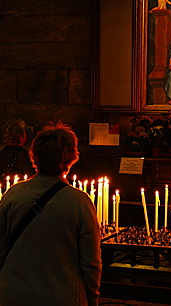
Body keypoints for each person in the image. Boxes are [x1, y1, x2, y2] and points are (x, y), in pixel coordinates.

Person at [0, 122, 102, 306]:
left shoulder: (12, 195)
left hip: (13, 294)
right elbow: (90, 262)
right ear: (72, 158)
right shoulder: (79, 202)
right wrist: (92, 298)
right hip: (62, 296)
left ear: (34, 156)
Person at [0, 119, 36, 191]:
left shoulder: (2, 153)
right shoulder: (20, 153)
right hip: (18, 191)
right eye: (25, 133)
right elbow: (30, 174)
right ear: (21, 136)